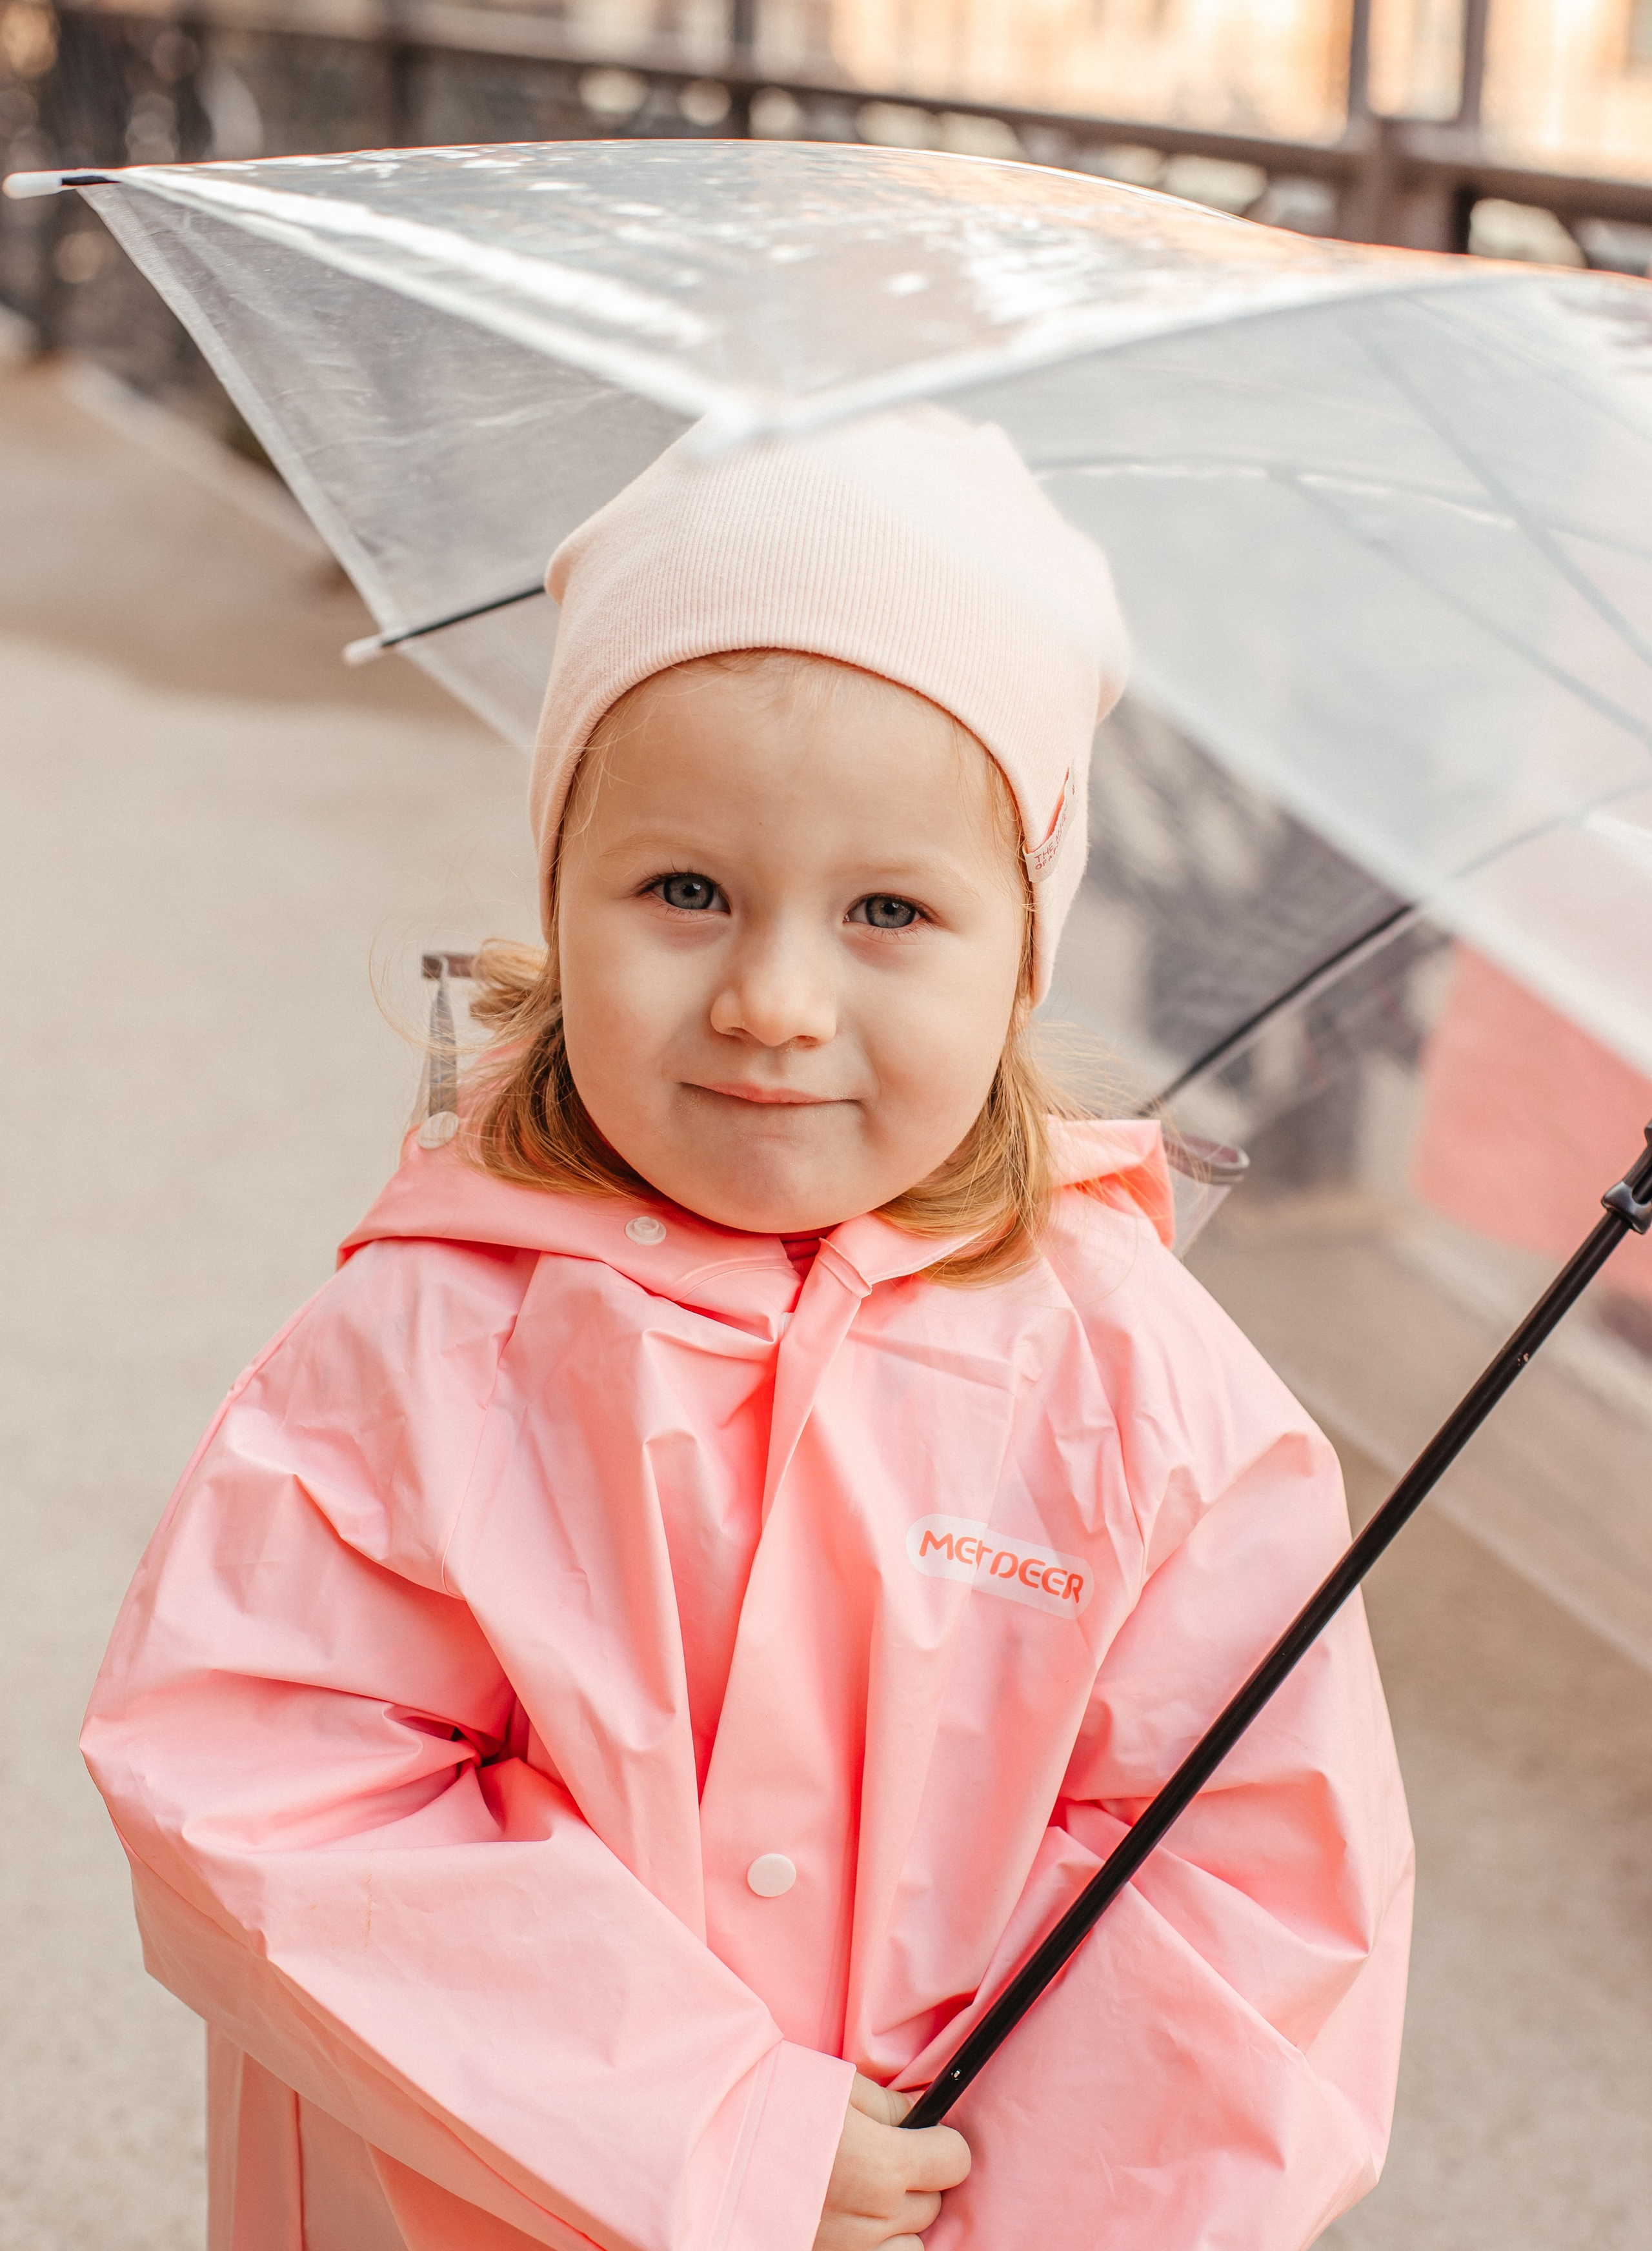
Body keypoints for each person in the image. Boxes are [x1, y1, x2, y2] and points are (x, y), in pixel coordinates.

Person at [83, 410, 1413, 2251]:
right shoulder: (426, 1344)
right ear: (560, 898)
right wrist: (714, 2131)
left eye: (890, 910)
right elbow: (268, 1783)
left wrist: (1000, 2208)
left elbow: (1238, 1885)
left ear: (1017, 955)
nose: (775, 1000)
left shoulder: (1149, 1400)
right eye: (686, 891)